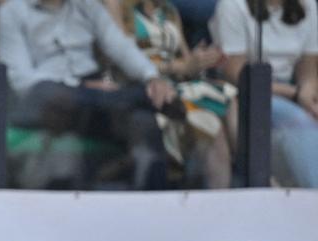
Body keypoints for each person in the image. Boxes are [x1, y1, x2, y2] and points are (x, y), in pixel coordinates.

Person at [0, 0, 180, 189]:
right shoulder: (12, 12)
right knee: (51, 94)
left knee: (143, 120)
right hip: (45, 96)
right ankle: (141, 98)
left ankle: (156, 204)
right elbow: (20, 79)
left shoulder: (86, 5)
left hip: (94, 101)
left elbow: (118, 44)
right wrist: (80, 86)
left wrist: (151, 77)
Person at [120, 0, 237, 188]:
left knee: (224, 100)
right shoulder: (122, 7)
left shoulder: (170, 11)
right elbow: (123, 58)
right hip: (142, 88)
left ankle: (245, 175)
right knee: (213, 116)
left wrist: (201, 60)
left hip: (177, 85)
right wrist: (179, 66)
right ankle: (253, 178)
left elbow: (186, 62)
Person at [210, 0, 318, 188]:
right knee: (298, 121)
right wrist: (295, 94)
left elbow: (308, 70)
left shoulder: (308, 4)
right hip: (247, 91)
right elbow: (236, 72)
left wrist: (308, 95)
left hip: (291, 92)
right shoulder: (232, 5)